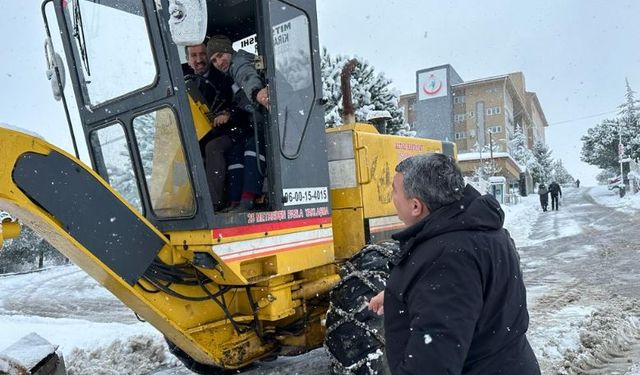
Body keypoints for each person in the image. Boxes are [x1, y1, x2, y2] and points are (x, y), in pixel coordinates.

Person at [368, 153, 540, 374]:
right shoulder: (479, 230)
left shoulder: (446, 258)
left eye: (394, 190)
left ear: (415, 206)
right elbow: (478, 294)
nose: (391, 196)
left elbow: (432, 363)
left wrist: (429, 287)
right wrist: (405, 295)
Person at [207, 35, 270, 211]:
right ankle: (235, 201)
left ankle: (247, 199)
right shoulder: (228, 77)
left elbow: (247, 76)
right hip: (256, 122)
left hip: (272, 123)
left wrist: (257, 93)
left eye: (220, 55)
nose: (219, 62)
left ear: (229, 50)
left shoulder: (239, 62)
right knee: (236, 149)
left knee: (253, 145)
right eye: (214, 60)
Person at [185, 43, 250, 211]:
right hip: (199, 132)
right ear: (187, 59)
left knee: (212, 147)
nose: (199, 60)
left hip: (231, 131)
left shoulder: (224, 77)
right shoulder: (182, 80)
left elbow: (243, 105)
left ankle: (213, 203)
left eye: (202, 54)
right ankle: (184, 202)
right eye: (194, 56)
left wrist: (228, 114)